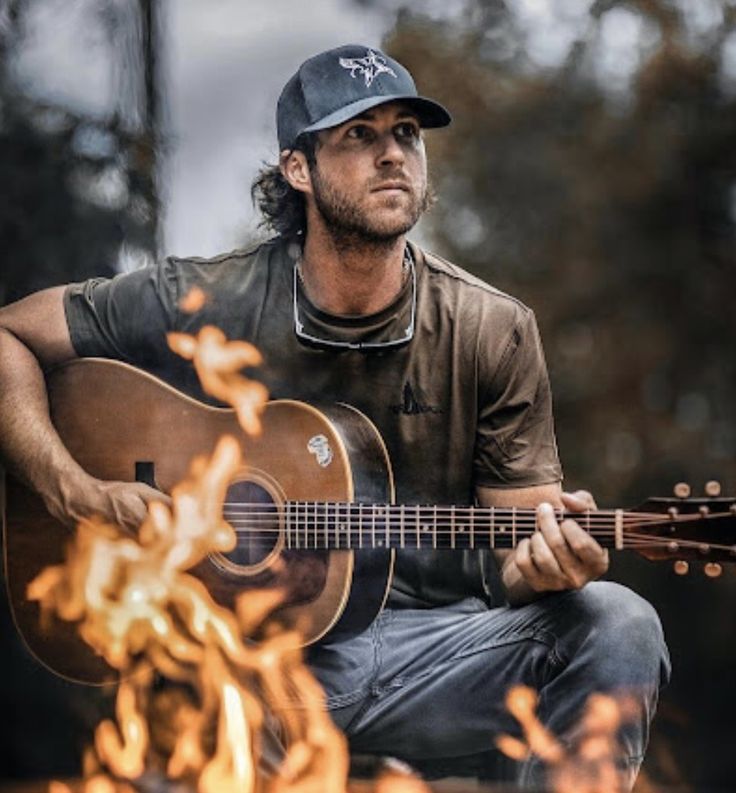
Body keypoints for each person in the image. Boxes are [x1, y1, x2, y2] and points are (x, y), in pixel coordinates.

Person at [0, 44, 669, 789]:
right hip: (254, 663)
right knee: (217, 697)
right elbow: (8, 335)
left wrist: (550, 565)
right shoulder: (206, 300)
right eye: (360, 134)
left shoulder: (492, 328)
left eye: (407, 133)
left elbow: (513, 557)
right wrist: (75, 491)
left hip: (439, 655)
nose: (393, 155)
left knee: (618, 620)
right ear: (298, 168)